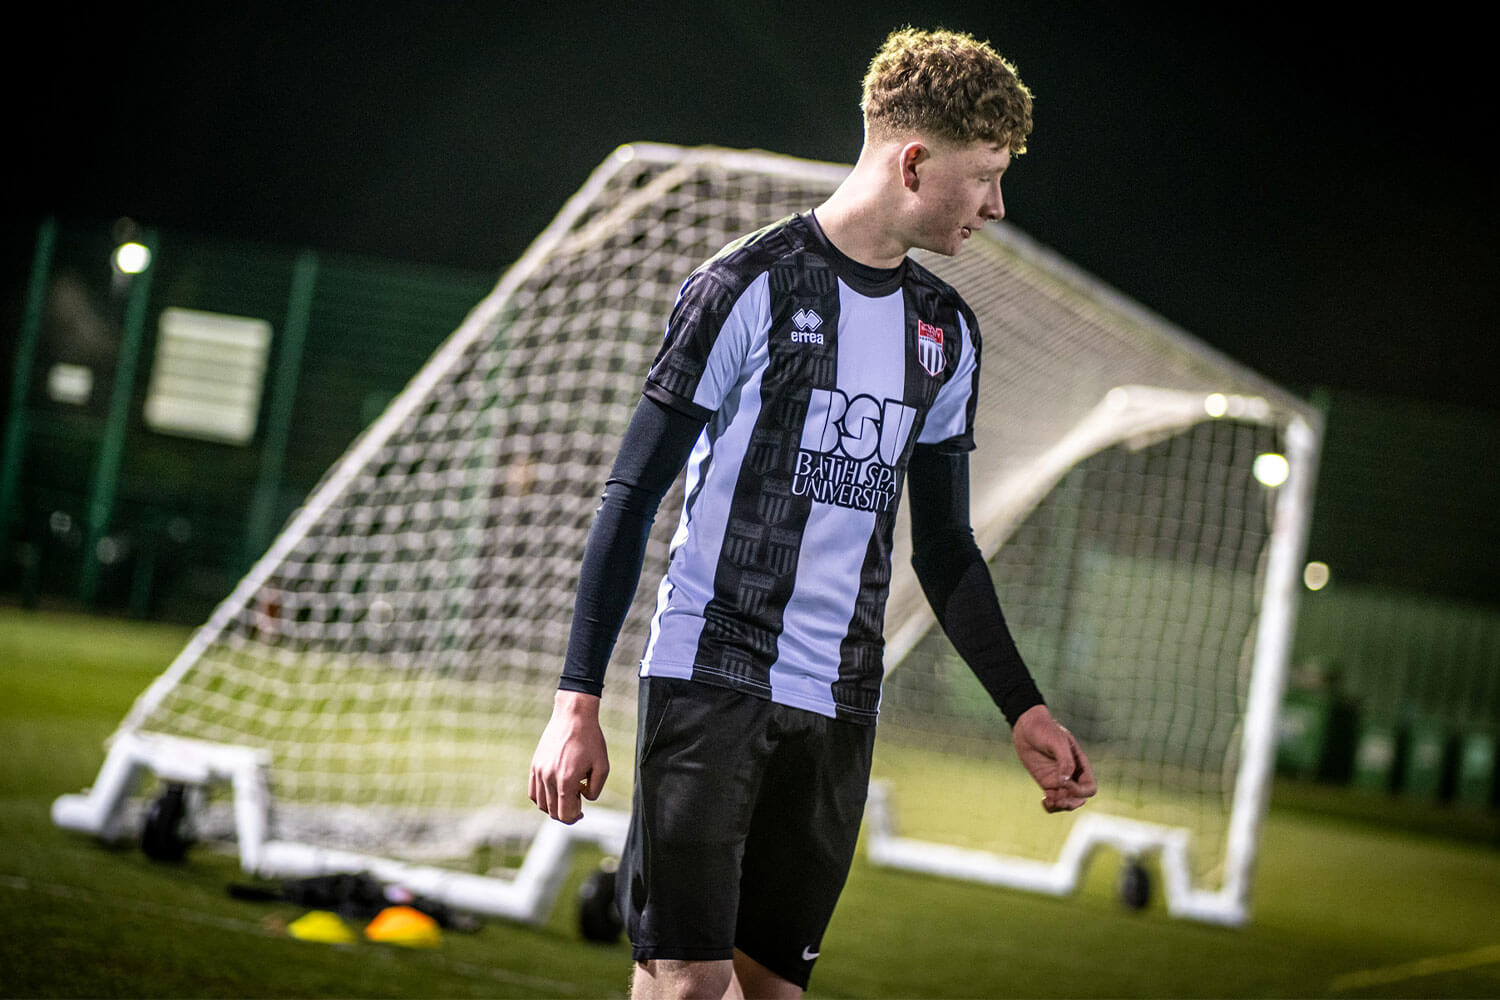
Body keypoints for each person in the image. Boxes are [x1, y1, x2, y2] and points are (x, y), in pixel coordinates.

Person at [530, 26, 1097, 999]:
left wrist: (1024, 705)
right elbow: (632, 493)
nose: (997, 206)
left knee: (772, 991)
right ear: (914, 162)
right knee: (688, 984)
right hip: (711, 673)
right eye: (984, 176)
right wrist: (575, 701)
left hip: (841, 697)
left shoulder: (944, 333)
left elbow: (949, 547)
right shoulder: (745, 285)